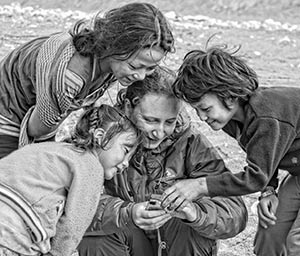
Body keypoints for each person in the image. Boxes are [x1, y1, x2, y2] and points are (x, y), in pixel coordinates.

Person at [77, 67, 247, 256]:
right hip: (127, 243)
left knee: (192, 228)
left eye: (169, 122)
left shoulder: (191, 143)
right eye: (150, 120)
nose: (159, 132)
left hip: (176, 245)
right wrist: (127, 213)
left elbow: (235, 210)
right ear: (128, 106)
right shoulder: (104, 135)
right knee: (96, 235)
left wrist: (194, 213)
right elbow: (71, 202)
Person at [170, 44, 300, 256]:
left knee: (297, 243)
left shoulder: (265, 115)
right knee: (270, 236)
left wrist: (201, 185)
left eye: (205, 108)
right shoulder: (234, 119)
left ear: (229, 96)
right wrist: (268, 189)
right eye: (196, 110)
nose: (201, 118)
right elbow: (267, 154)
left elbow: (254, 177)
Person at [0, 2, 174, 159]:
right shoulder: (71, 77)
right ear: (115, 45)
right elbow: (36, 130)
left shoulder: (110, 60)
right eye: (135, 67)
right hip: (8, 111)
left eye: (150, 68)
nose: (141, 76)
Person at [0, 104, 139, 256]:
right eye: (125, 150)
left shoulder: (55, 151)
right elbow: (71, 227)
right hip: (14, 233)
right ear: (100, 136)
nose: (126, 163)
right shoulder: (90, 166)